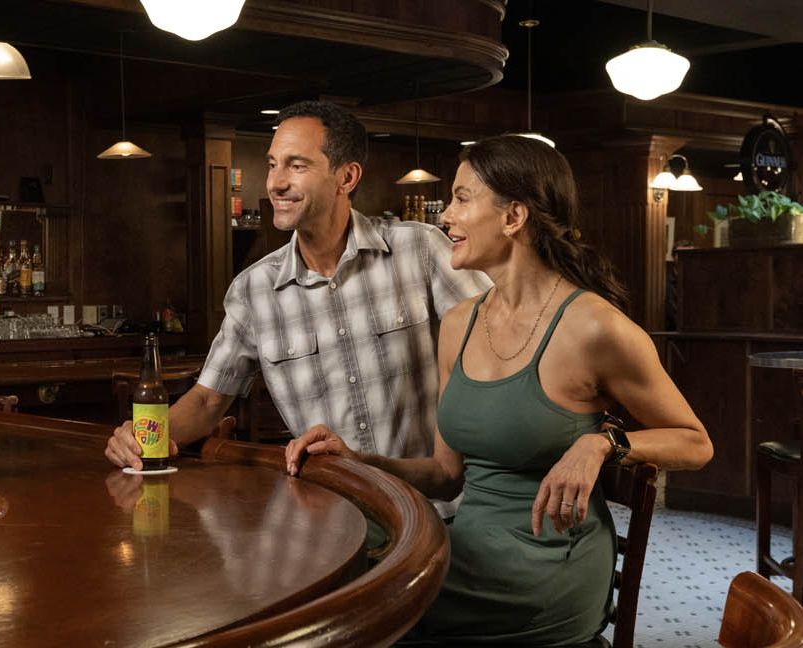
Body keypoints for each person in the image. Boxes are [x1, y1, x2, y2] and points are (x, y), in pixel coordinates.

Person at [286, 135, 713, 645]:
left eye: (463, 199)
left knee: (361, 609)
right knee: (327, 569)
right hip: (468, 551)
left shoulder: (595, 328)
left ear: (513, 217)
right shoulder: (460, 323)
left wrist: (601, 443)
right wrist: (356, 460)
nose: (445, 217)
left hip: (547, 569)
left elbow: (695, 442)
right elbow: (446, 476)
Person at [104, 100, 490, 516]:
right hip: (336, 525)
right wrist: (143, 435)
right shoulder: (254, 290)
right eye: (273, 165)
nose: (275, 183)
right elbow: (206, 402)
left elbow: (506, 339)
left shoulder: (422, 250)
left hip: (439, 512)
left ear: (347, 176)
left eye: (296, 166)